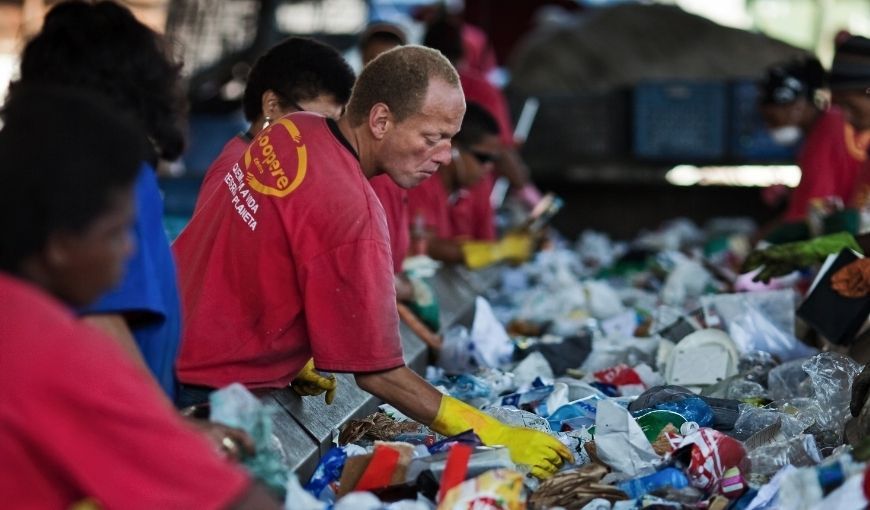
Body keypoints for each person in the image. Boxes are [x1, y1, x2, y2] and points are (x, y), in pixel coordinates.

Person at [173, 45, 571, 479]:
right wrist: (497, 433)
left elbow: (262, 248)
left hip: (161, 347)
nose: (444, 156)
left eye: (451, 140)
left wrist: (287, 351)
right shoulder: (355, 212)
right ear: (380, 121)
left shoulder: (293, 130)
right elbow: (381, 375)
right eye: (432, 137)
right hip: (204, 389)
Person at [0, 83, 280, 510]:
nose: (130, 250)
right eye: (116, 234)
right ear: (59, 246)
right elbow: (239, 502)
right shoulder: (52, 349)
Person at [15, 0, 185, 400]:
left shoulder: (36, 166)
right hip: (119, 419)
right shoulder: (113, 179)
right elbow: (102, 319)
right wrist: (165, 427)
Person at [194, 37, 356, 211]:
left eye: (333, 127)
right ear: (272, 106)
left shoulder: (261, 173)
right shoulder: (242, 178)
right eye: (318, 122)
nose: (328, 140)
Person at [757, 57, 864, 233]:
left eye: (772, 119)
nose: (769, 127)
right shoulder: (819, 132)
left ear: (796, 106)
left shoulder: (827, 130)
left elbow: (812, 208)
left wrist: (754, 242)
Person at [408, 102, 514, 265]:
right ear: (452, 148)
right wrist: (500, 251)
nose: (488, 167)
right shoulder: (420, 180)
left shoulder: (479, 185)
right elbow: (425, 246)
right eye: (483, 158)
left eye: (493, 160)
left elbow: (486, 242)